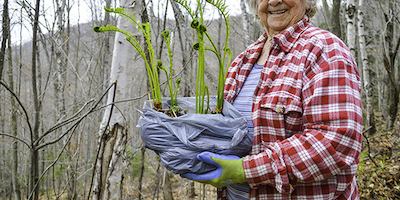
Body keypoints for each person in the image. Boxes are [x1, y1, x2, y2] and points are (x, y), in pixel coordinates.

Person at [183, 0, 363, 199]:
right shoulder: (242, 61)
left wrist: (244, 171)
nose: (274, 1)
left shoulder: (324, 49)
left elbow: (337, 140)